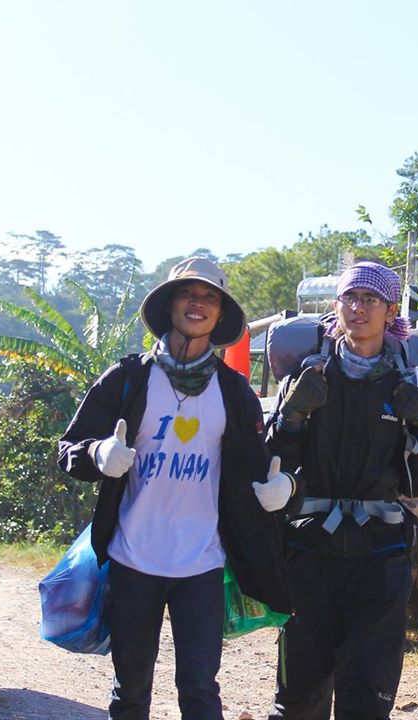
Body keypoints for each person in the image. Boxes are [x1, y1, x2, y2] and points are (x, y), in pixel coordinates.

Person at [57, 256, 291, 720]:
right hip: (132, 558)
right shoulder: (128, 379)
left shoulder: (234, 393)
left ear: (220, 315)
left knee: (200, 691)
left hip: (202, 564)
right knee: (130, 692)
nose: (198, 304)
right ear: (170, 305)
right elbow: (69, 448)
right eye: (188, 294)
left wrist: (280, 488)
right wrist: (99, 454)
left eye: (209, 297)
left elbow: (257, 468)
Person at [260, 261, 418, 720]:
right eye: (350, 298)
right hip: (309, 550)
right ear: (336, 305)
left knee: (367, 700)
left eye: (370, 300)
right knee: (299, 699)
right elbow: (268, 465)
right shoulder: (308, 375)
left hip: (379, 558)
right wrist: (292, 416)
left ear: (390, 310)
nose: (358, 308)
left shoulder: (407, 383)